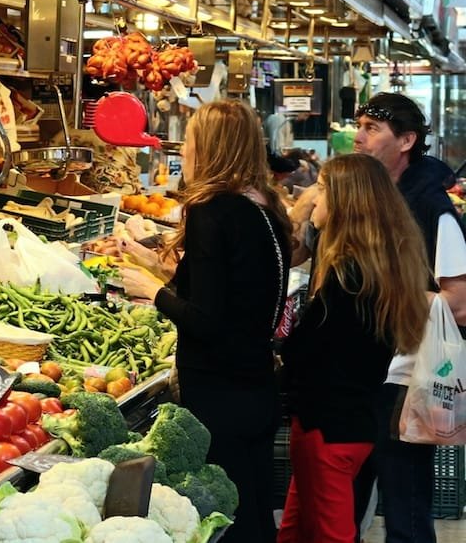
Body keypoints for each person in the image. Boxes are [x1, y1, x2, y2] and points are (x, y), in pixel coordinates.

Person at [121, 99, 290, 543]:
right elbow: (232, 292)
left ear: (210, 148)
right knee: (253, 512)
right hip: (257, 385)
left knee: (226, 522)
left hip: (219, 394)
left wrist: (151, 292)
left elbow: (209, 321)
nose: (184, 150)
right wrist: (157, 267)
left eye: (191, 139)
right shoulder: (265, 209)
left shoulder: (211, 211)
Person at [324, 92, 466, 543]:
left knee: (403, 498)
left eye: (371, 129)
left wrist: (383, 289)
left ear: (405, 140)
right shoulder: (375, 196)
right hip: (363, 371)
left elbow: (459, 301)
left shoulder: (431, 205)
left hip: (406, 378)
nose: (358, 137)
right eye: (358, 125)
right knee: (349, 495)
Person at [277, 154, 431, 543]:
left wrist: (281, 345)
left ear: (345, 202)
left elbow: (309, 350)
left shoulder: (346, 277)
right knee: (296, 527)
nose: (314, 198)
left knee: (330, 532)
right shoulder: (381, 268)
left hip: (326, 427)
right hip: (353, 422)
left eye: (323, 189)